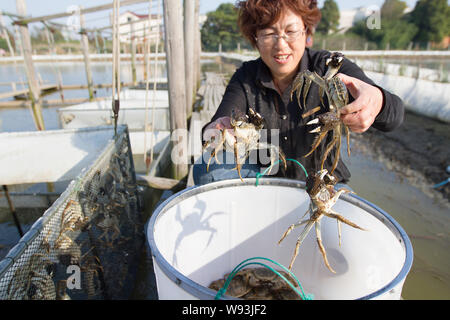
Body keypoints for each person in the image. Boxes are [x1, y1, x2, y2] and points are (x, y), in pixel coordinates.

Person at [196, 0, 404, 185]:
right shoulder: (245, 77)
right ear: (255, 38)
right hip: (265, 176)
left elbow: (394, 115)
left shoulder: (328, 66)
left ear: (307, 32)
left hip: (322, 180)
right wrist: (216, 131)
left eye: (291, 31)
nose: (280, 44)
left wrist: (378, 99)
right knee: (205, 169)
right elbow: (215, 127)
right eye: (269, 33)